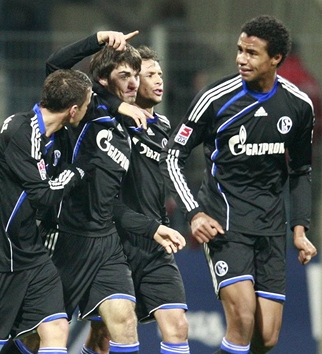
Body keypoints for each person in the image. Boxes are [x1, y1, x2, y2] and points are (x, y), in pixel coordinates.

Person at [160, 15, 318, 354]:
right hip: (225, 223)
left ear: (276, 59)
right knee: (242, 318)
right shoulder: (215, 99)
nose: (241, 59)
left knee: (267, 337)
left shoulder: (298, 105)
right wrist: (194, 213)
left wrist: (301, 228)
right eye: (239, 50)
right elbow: (172, 156)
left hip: (271, 226)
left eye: (251, 53)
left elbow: (301, 169)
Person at [40, 31, 186, 354]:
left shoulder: (132, 129)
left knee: (123, 320)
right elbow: (54, 67)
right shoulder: (88, 113)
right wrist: (96, 40)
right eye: (125, 76)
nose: (134, 83)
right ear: (103, 81)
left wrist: (156, 224)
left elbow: (112, 202)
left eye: (137, 76)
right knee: (40, 337)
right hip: (66, 239)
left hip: (107, 242)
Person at [0, 69, 94, 354]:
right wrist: (78, 171)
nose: (88, 110)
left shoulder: (56, 136)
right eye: (86, 105)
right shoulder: (20, 131)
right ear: (73, 110)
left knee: (56, 328)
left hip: (29, 253)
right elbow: (44, 195)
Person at [84, 45, 191, 354]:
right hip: (114, 243)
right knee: (102, 336)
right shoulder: (106, 121)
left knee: (178, 326)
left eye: (160, 73)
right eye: (148, 75)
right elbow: (83, 84)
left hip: (153, 243)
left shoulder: (163, 126)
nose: (158, 80)